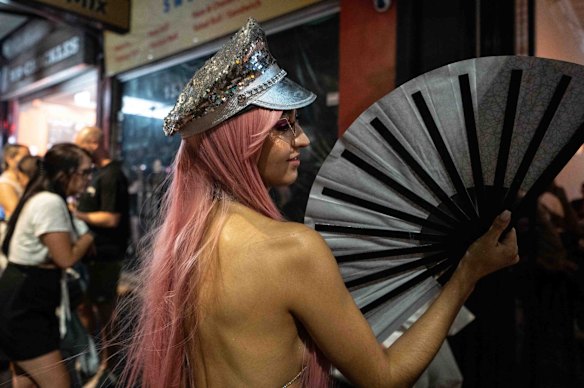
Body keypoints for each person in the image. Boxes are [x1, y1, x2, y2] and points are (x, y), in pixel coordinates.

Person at [120, 18, 519, 387]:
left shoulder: (187, 242)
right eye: (283, 126)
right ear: (241, 141)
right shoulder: (291, 249)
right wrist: (468, 272)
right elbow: (385, 377)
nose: (303, 140)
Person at [0, 143, 94, 388]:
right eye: (84, 172)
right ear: (64, 174)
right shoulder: (49, 202)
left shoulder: (44, 198)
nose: (88, 179)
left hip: (25, 299)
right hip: (25, 306)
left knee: (26, 381)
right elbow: (66, 258)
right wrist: (88, 237)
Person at [72, 126, 130, 379]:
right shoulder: (95, 173)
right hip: (89, 253)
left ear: (94, 143)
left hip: (106, 254)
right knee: (86, 307)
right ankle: (89, 359)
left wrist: (78, 214)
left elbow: (110, 218)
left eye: (81, 146)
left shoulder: (112, 175)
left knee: (106, 311)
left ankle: (111, 364)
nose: (78, 152)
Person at [0, 143, 30, 219]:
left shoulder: (22, 179)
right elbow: (14, 211)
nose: (29, 161)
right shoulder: (5, 183)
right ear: (9, 159)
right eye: (25, 157)